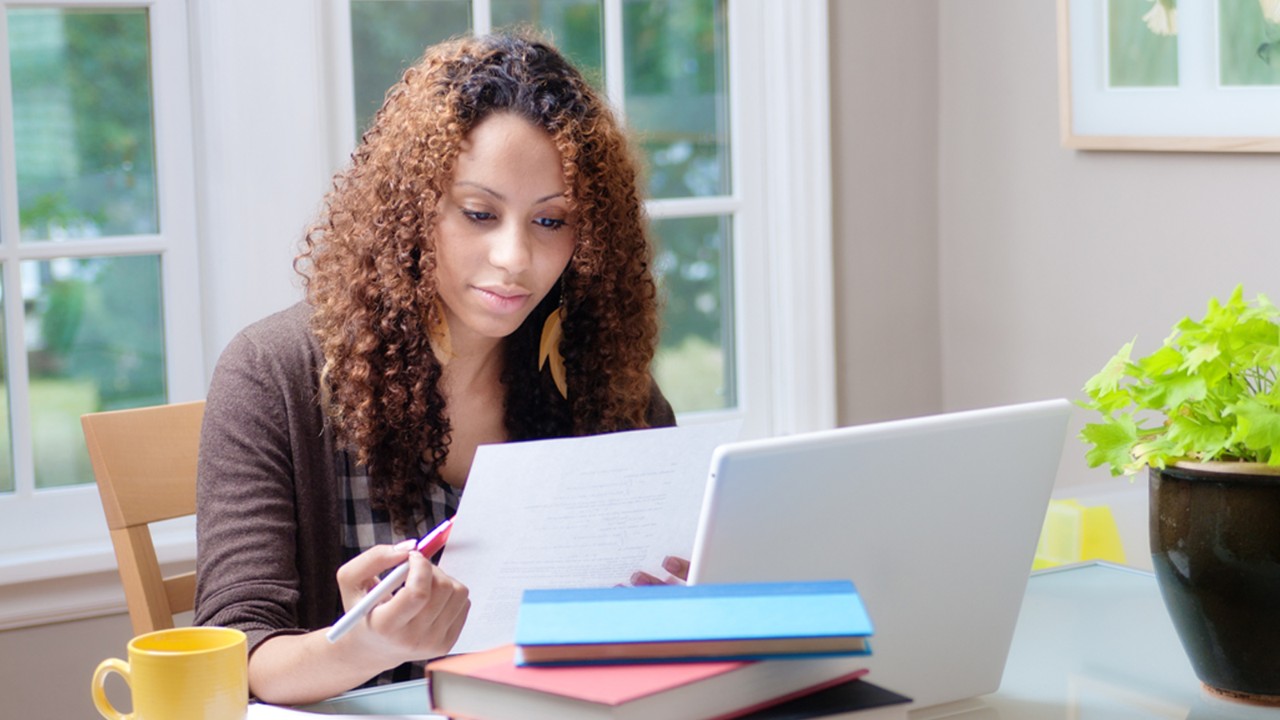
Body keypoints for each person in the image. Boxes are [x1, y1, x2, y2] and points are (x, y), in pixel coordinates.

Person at [193, 31, 676, 705]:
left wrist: (676, 613)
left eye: (551, 221)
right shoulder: (273, 375)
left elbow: (640, 637)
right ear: (412, 208)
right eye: (479, 213)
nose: (515, 257)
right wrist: (365, 643)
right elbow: (237, 652)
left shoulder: (603, 375)